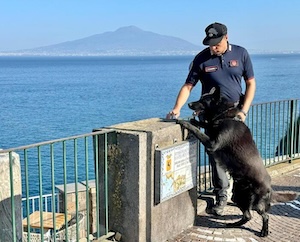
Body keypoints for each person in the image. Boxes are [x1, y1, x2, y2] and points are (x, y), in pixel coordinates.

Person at [166, 22, 256, 216]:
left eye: (217, 43)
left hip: (235, 115)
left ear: (226, 37)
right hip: (213, 118)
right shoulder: (201, 59)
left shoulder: (241, 54)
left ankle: (241, 195)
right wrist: (176, 108)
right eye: (210, 43)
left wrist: (244, 111)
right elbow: (188, 86)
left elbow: (251, 83)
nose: (213, 47)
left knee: (240, 156)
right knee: (217, 157)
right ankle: (222, 196)